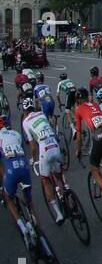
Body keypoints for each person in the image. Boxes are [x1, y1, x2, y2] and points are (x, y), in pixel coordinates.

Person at [20, 97, 66, 224]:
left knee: (45, 180)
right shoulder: (41, 114)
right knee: (59, 174)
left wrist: (33, 159)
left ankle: (58, 213)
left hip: (45, 150)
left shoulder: (25, 122)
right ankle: (66, 192)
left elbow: (33, 147)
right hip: (55, 145)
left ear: (24, 111)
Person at [0, 113, 40, 250]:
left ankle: (23, 228)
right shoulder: (16, 134)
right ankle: (37, 230)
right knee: (29, 201)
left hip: (11, 171)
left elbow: (1, 166)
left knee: (8, 198)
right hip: (24, 167)